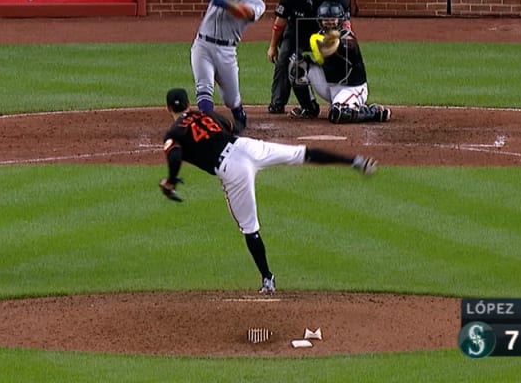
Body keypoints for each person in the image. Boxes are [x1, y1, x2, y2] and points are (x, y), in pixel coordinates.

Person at [159, 87, 377, 294]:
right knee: (300, 154)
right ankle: (354, 161)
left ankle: (268, 279)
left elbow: (175, 155)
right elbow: (229, 125)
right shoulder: (205, 115)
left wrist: (170, 181)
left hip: (233, 169)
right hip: (246, 146)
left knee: (249, 228)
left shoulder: (173, 132)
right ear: (189, 103)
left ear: (168, 109)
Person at [191, 0, 267, 134]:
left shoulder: (258, 4)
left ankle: (239, 113)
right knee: (204, 87)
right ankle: (208, 127)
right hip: (202, 46)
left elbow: (243, 13)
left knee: (231, 99)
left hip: (227, 52)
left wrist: (223, 2)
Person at [266, 0, 350, 115]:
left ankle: (344, 98)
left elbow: (345, 25)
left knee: (339, 62)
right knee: (285, 59)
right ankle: (278, 102)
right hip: (295, 34)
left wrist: (344, 44)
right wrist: (272, 46)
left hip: (323, 37)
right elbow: (279, 24)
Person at [289, 1, 391, 123]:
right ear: (320, 21)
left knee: (338, 114)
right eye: (326, 19)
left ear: (340, 20)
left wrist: (337, 45)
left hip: (352, 88)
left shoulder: (347, 36)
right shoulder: (319, 36)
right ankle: (309, 109)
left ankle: (373, 112)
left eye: (333, 19)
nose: (329, 22)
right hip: (329, 86)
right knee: (297, 65)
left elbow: (350, 45)